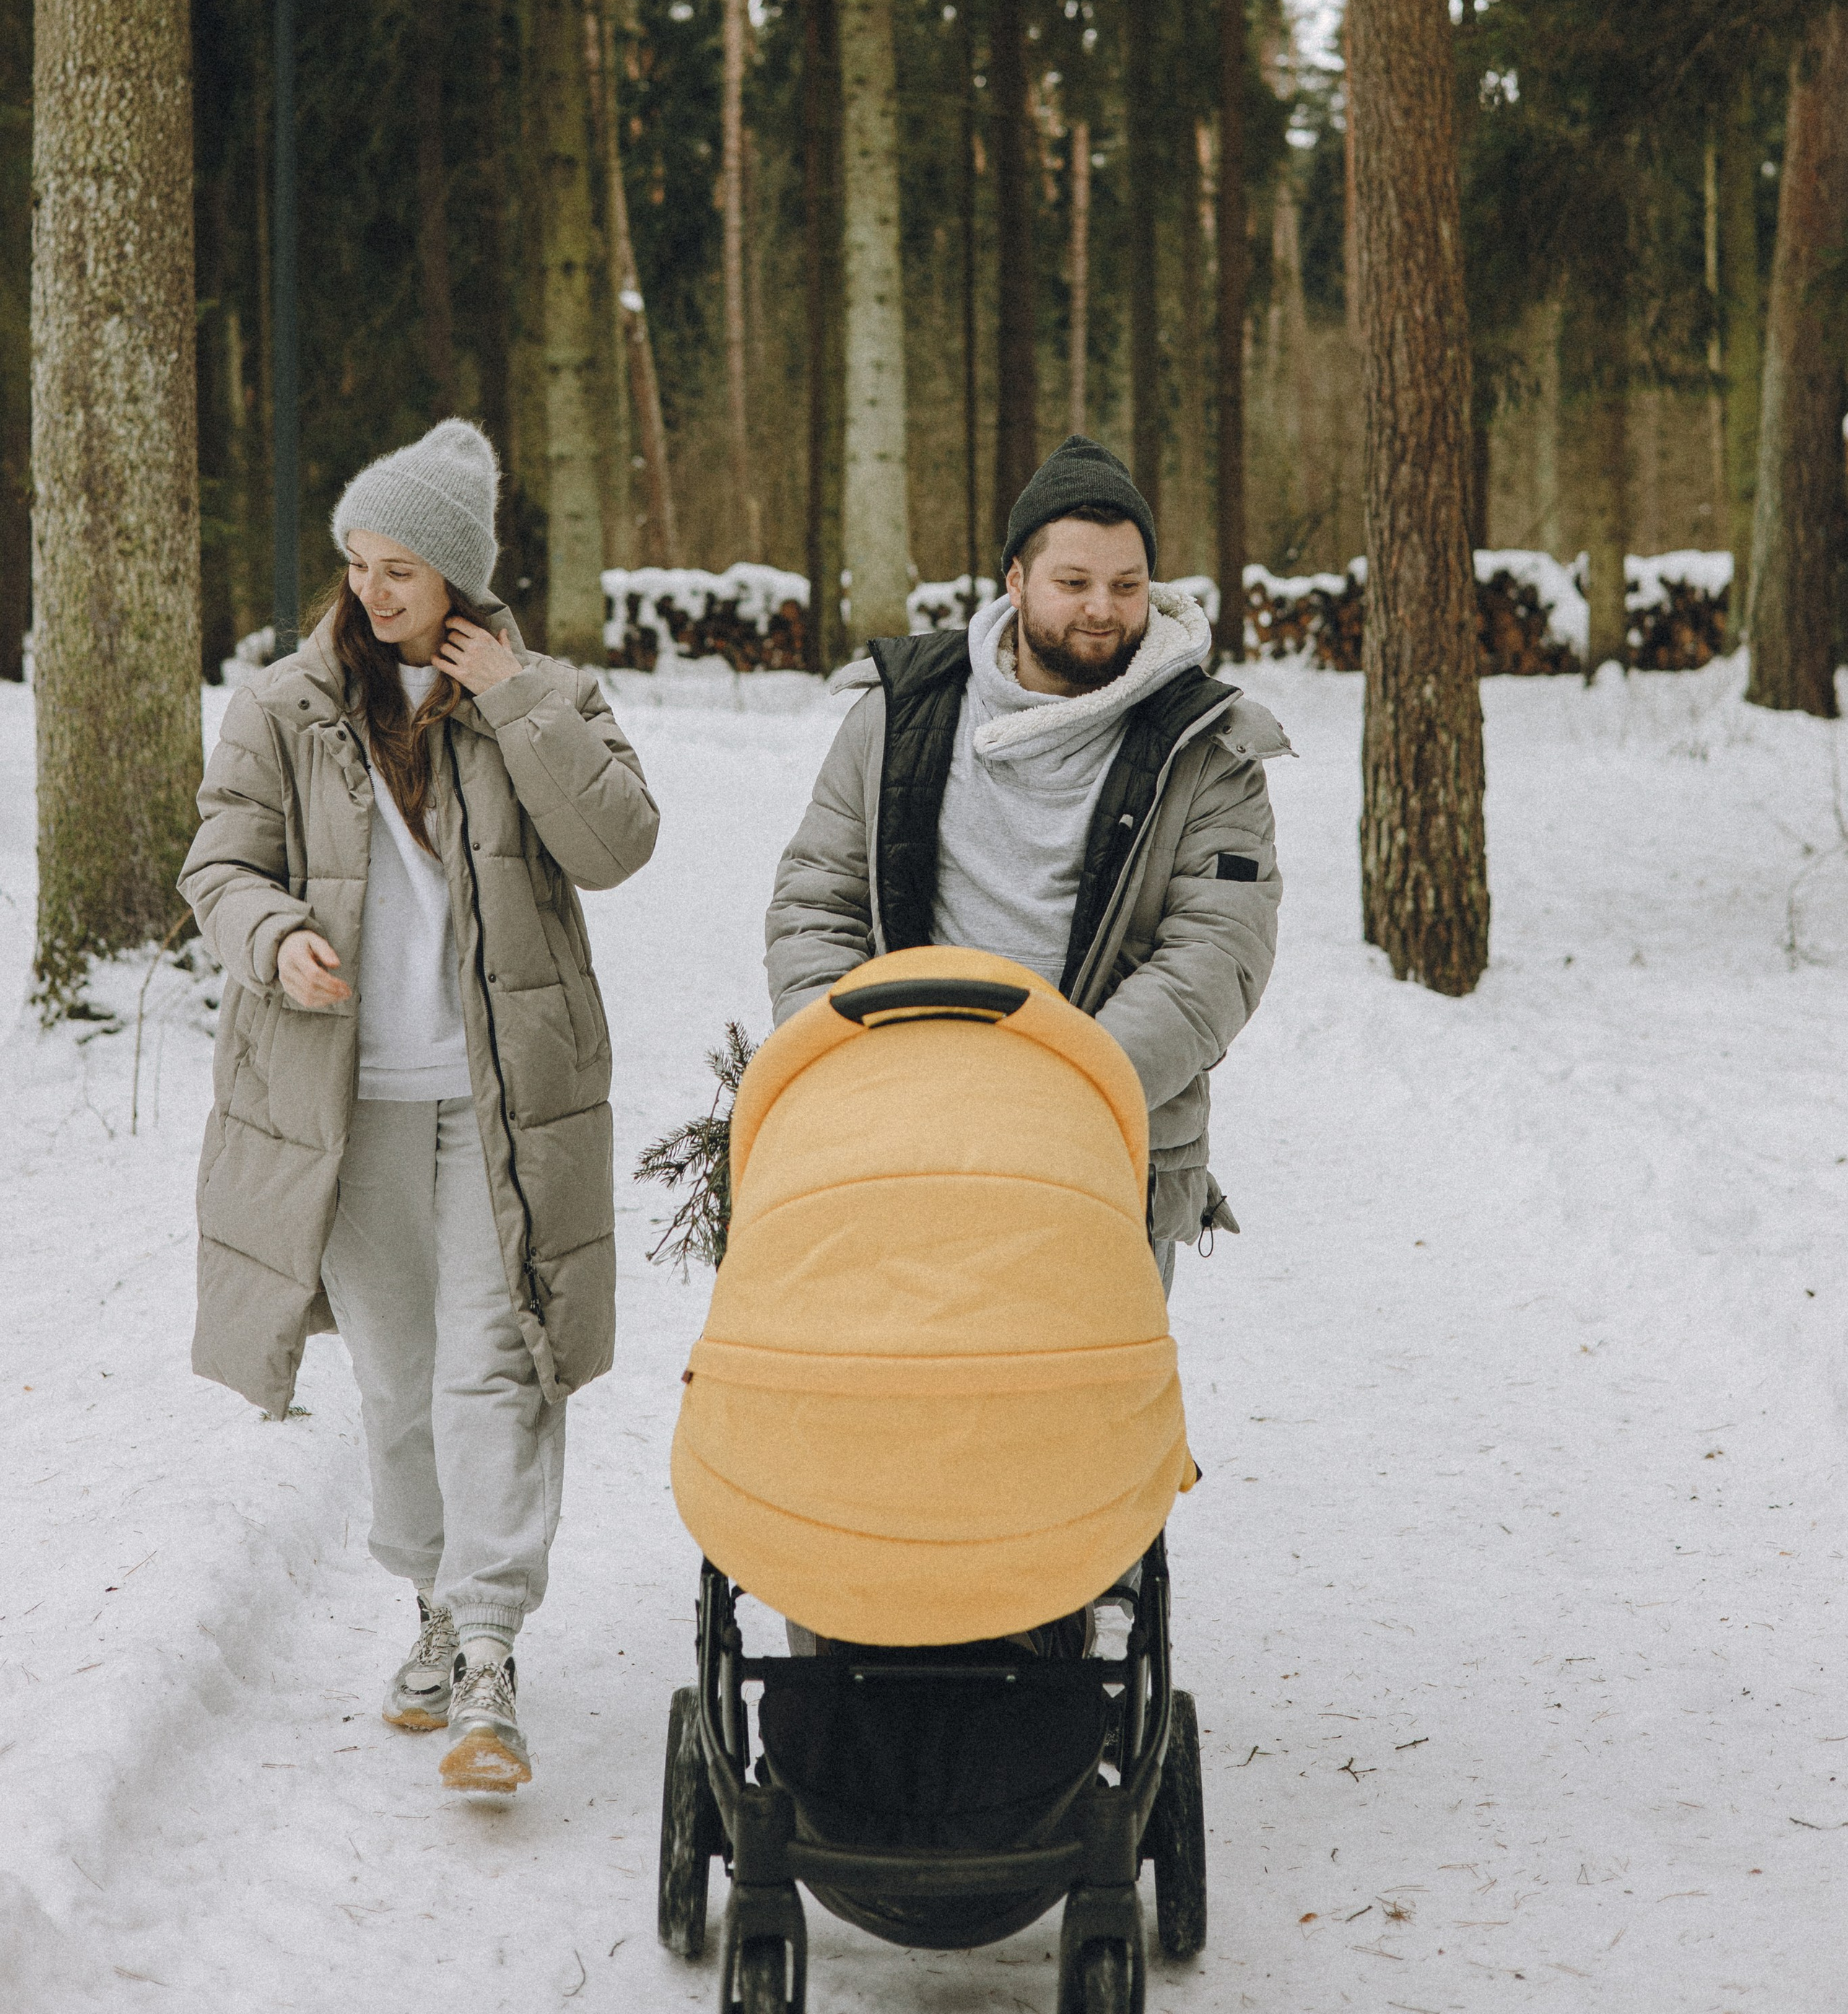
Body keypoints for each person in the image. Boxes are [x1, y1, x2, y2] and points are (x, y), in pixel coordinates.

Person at [181, 418, 658, 1797]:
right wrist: (274, 937)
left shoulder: (539, 692)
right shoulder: (282, 705)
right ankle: (436, 1609)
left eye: (400, 567)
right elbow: (220, 865)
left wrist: (519, 699)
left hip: (505, 1098)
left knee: (495, 1361)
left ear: (457, 576)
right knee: (395, 1377)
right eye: (358, 560)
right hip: (346, 1103)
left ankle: (494, 1646)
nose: (373, 589)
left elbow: (619, 845)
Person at [765, 434, 1286, 1285]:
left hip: (1103, 1144)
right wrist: (846, 1063)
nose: (1102, 609)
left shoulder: (1207, 748)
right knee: (913, 1401)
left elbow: (1215, 957)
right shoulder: (899, 714)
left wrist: (1062, 1089)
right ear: (1015, 581)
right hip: (903, 1133)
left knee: (1084, 1409)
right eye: (1073, 583)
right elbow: (815, 902)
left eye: (1126, 586)